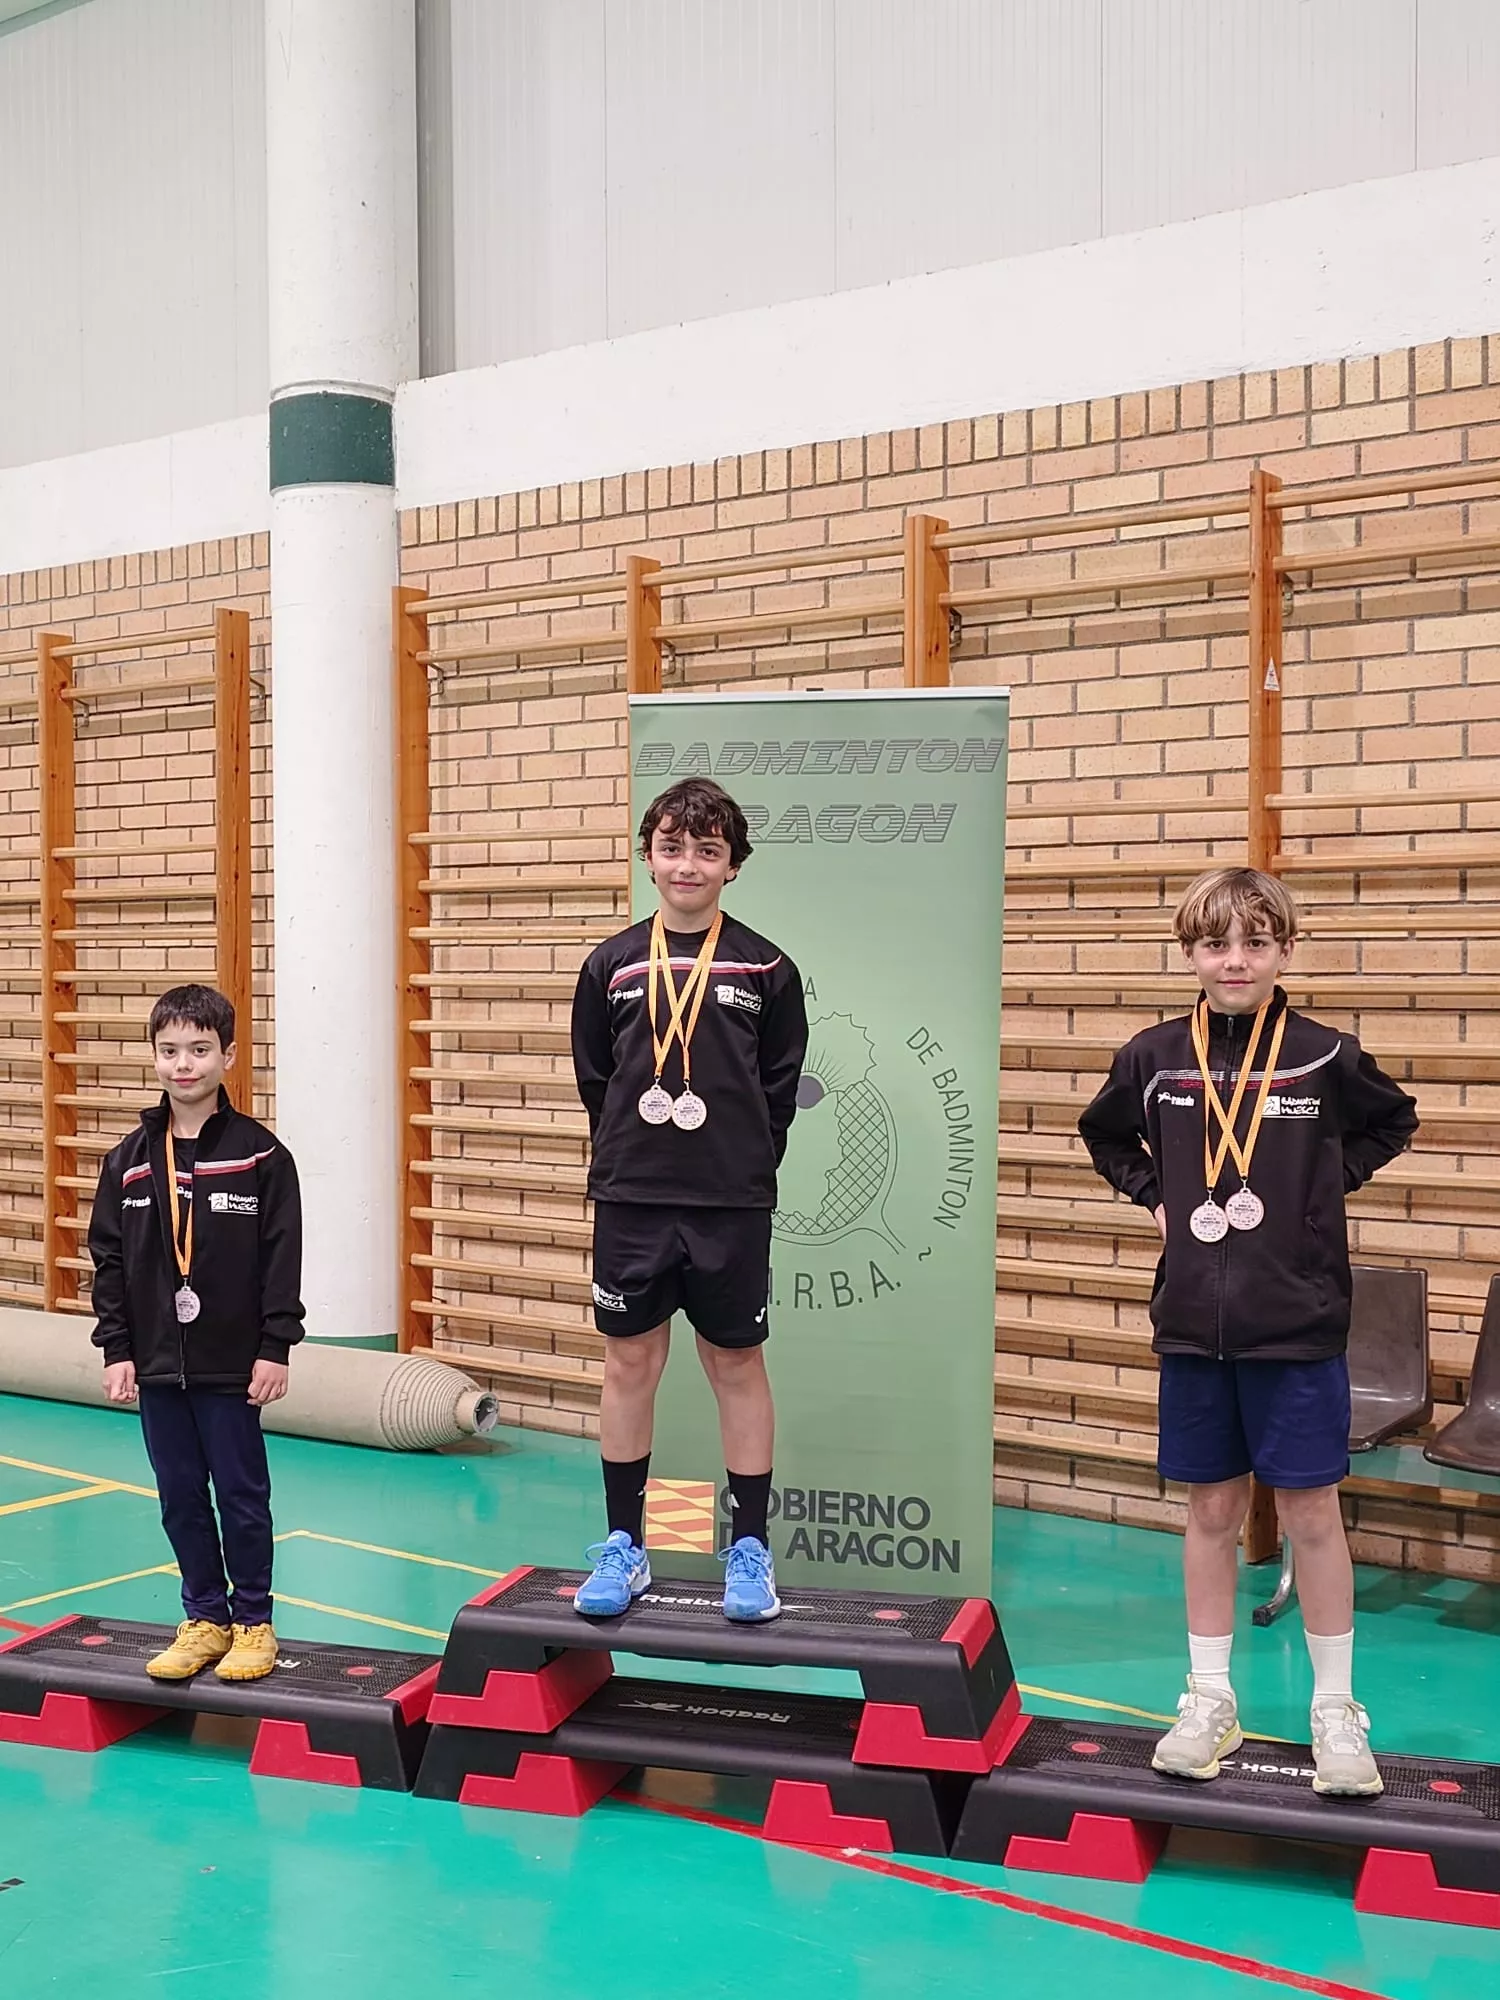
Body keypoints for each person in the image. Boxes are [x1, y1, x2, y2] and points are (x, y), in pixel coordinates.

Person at [1078, 868, 1417, 1796]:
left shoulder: (1321, 1052)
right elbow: (1103, 1136)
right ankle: (1210, 1698)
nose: (1235, 961)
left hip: (1298, 1327)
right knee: (1209, 1515)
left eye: (1255, 944)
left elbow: (1396, 1121)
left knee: (1311, 1513)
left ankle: (1336, 1711)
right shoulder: (1153, 1056)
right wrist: (1154, 1197)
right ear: (1190, 953)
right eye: (1216, 945)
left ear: (1283, 952)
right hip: (1192, 1326)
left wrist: (1317, 1196)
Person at [570, 777, 808, 1622]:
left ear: (733, 866)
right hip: (632, 1197)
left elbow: (778, 1089)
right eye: (673, 847)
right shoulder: (611, 965)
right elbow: (597, 1081)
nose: (688, 864)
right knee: (630, 1363)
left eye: (708, 850)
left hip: (730, 1204)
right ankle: (625, 1548)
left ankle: (749, 1552)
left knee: (736, 1364)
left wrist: (735, 1162)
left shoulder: (767, 967)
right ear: (648, 857)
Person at [89, 984, 305, 1683]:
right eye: (171, 1051)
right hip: (155, 1367)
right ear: (154, 1058)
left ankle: (254, 1623)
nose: (185, 1064)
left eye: (200, 1050)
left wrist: (276, 1346)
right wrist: (117, 1349)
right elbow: (110, 1262)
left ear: (228, 1057)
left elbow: (282, 1257)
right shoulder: (128, 1161)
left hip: (234, 1366)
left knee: (242, 1497)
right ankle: (204, 1618)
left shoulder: (260, 1157)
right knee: (179, 1495)